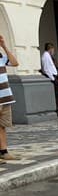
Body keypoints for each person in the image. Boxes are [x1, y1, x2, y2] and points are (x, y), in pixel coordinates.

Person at [0, 34, 20, 162]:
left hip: (5, 97)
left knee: (2, 126)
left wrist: (4, 46)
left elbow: (15, 63)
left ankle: (4, 151)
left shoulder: (1, 56)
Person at [41, 42, 58, 116]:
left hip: (54, 75)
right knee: (55, 94)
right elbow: (46, 68)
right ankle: (57, 110)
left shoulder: (48, 56)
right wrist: (53, 78)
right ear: (50, 49)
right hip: (52, 77)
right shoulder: (46, 56)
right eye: (53, 49)